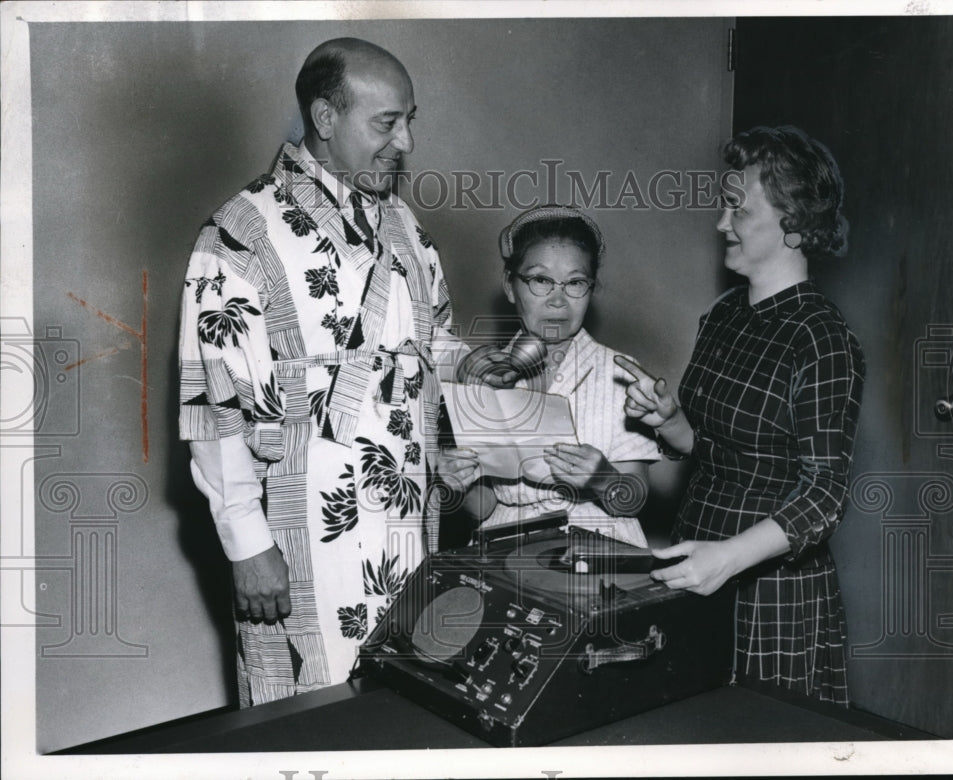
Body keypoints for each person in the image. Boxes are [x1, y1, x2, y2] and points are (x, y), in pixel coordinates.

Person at [178, 38, 454, 706]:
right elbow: (212, 402)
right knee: (312, 720)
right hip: (303, 536)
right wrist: (247, 544)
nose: (406, 141)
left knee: (407, 712)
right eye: (387, 123)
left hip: (411, 527)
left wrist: (484, 376)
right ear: (326, 119)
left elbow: (433, 344)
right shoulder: (241, 231)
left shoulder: (404, 225)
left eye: (409, 119)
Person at [617, 126, 865, 705]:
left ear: (795, 223)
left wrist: (728, 558)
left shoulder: (822, 339)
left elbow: (825, 494)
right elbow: (712, 448)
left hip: (769, 584)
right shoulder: (726, 313)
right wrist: (669, 420)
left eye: (737, 209)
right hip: (695, 555)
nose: (721, 224)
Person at [440, 205, 660, 547]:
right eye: (541, 280)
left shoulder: (620, 373)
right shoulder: (482, 376)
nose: (558, 300)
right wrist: (458, 482)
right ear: (510, 286)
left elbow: (635, 499)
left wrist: (603, 480)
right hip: (505, 544)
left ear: (591, 289)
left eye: (575, 283)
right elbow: (482, 507)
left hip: (598, 544)